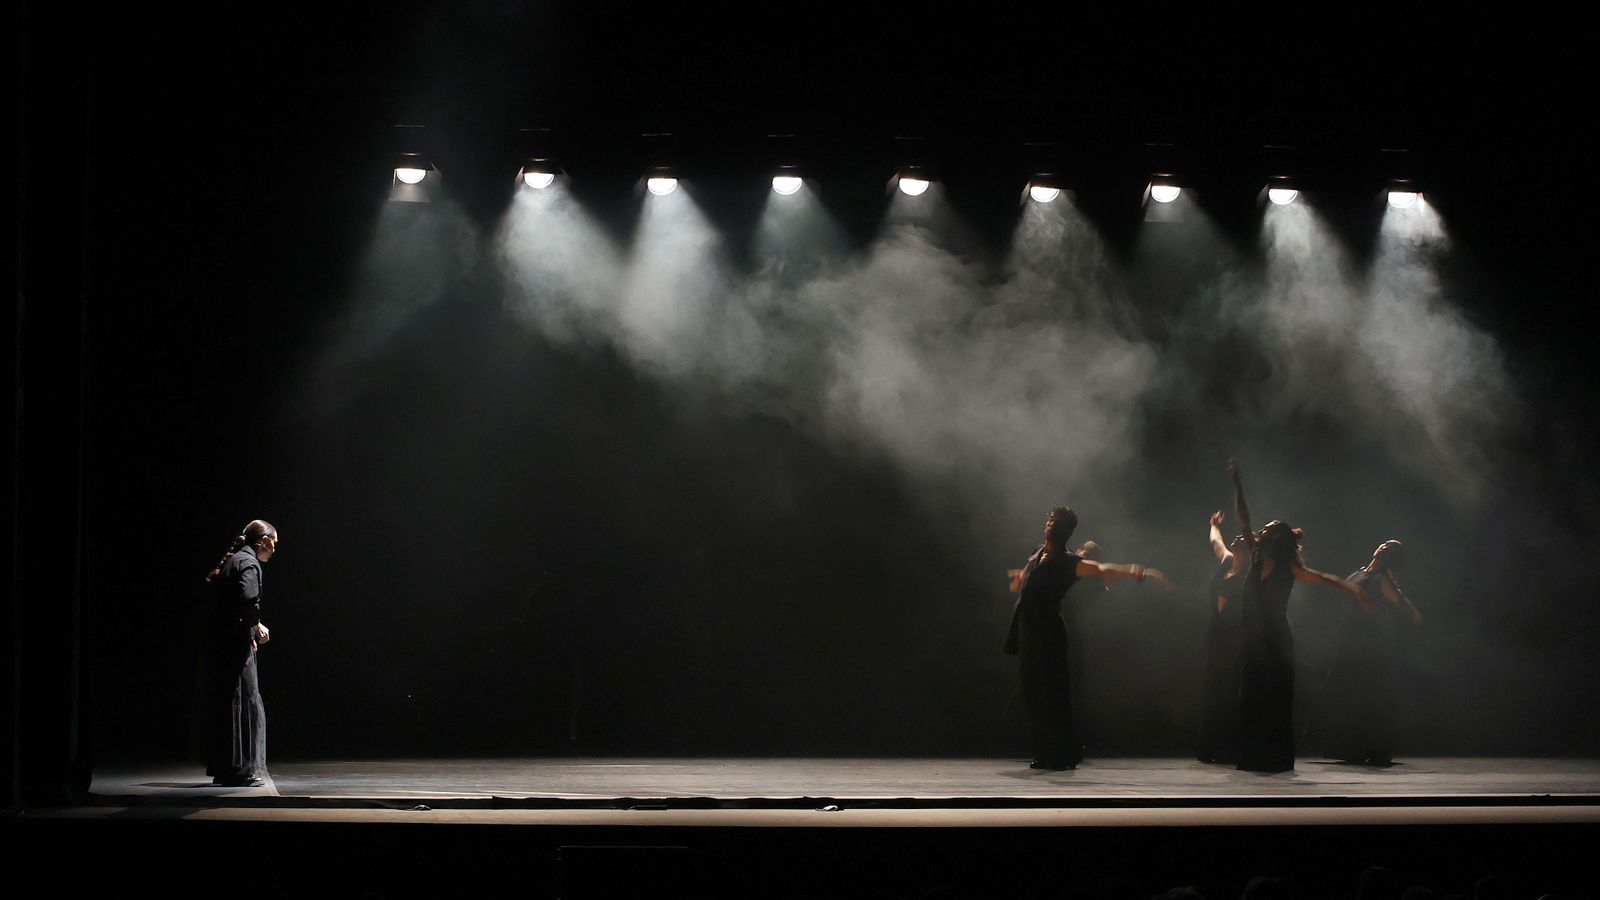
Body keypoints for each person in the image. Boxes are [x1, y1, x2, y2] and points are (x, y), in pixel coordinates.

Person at [1004, 506, 1172, 770]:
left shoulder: (1068, 562)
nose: (1050, 524)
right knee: (1033, 694)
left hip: (1048, 634)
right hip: (1027, 631)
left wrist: (1134, 572)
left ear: (1066, 531)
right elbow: (1029, 576)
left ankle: (1063, 754)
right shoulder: (1038, 554)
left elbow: (1101, 569)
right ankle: (1045, 751)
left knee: (1053, 694)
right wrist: (1020, 579)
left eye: (1056, 522)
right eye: (1050, 519)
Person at [1227, 460, 1368, 773]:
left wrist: (1350, 588)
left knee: (1274, 700)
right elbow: (1244, 520)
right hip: (1252, 641)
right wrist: (1237, 483)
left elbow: (1323, 578)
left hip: (1275, 642)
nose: (1260, 532)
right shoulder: (1254, 556)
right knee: (1251, 698)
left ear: (1277, 539)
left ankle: (1275, 759)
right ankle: (1253, 758)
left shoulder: (1289, 568)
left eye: (1268, 530)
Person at [1311, 539, 1422, 766]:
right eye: (1385, 544)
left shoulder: (1382, 579)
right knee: (1349, 695)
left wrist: (1413, 614)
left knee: (1363, 695)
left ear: (1392, 558)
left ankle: (1369, 747)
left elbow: (1394, 604)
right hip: (1349, 638)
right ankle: (1353, 747)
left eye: (1390, 549)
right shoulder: (1360, 572)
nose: (1384, 547)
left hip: (1365, 642)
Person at [203, 519, 279, 787]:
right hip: (234, 645)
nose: (274, 549)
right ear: (264, 540)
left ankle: (225, 768)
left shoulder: (234, 559)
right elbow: (247, 599)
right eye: (274, 543)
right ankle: (239, 770)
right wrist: (255, 626)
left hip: (224, 641)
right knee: (243, 700)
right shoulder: (248, 562)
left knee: (229, 701)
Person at [1197, 510, 1247, 764]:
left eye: (1242, 539)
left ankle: (1229, 748)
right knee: (1213, 688)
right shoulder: (1227, 561)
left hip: (1234, 638)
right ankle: (1211, 747)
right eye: (1235, 538)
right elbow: (1216, 541)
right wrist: (1214, 524)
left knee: (1229, 690)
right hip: (1216, 634)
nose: (1236, 539)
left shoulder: (1249, 576)